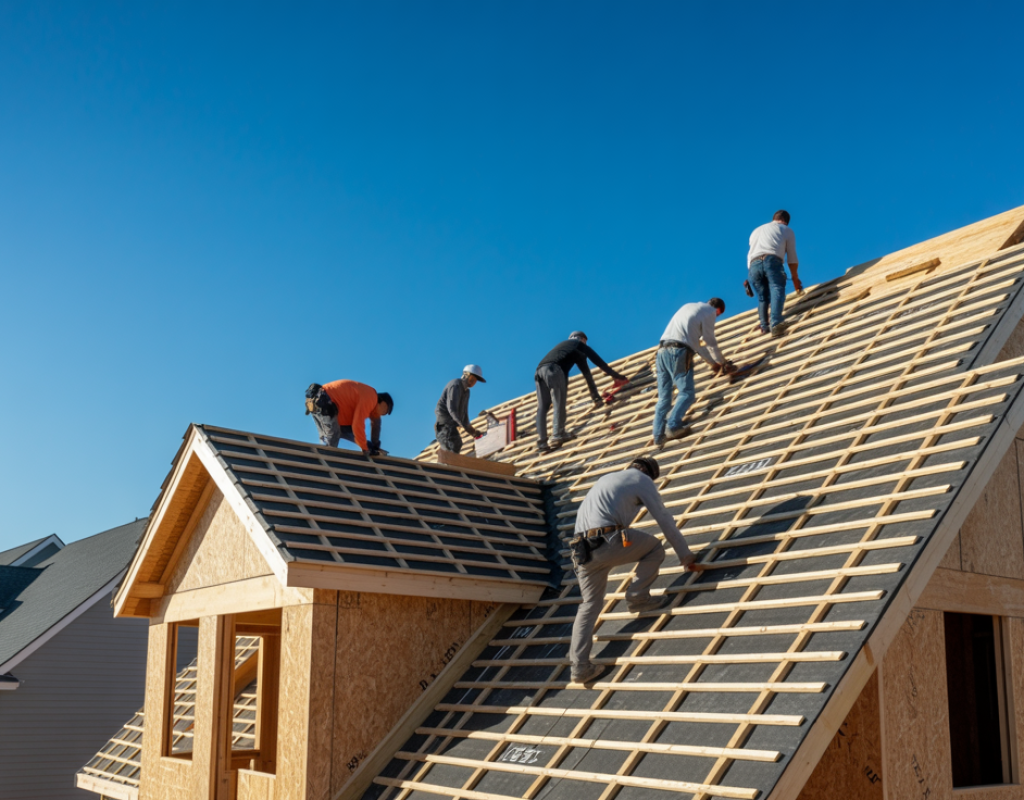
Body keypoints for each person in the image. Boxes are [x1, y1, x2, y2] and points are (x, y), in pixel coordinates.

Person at [569, 456, 704, 684]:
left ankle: (580, 667)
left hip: (582, 551)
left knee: (589, 605)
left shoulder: (608, 479)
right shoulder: (642, 480)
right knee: (655, 549)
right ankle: (638, 597)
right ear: (647, 473)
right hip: (609, 540)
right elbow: (663, 518)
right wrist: (685, 554)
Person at [652, 298, 731, 447]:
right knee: (687, 393)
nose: (716, 317)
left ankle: (658, 435)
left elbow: (697, 346)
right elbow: (710, 342)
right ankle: (672, 426)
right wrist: (723, 362)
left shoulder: (690, 307)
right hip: (678, 352)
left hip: (662, 352)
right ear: (718, 310)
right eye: (718, 315)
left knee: (664, 398)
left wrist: (713, 364)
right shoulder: (710, 312)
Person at [535, 331, 628, 453]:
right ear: (583, 339)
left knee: (542, 407)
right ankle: (557, 435)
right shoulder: (579, 344)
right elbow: (599, 362)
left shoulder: (565, 349)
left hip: (539, 371)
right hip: (554, 370)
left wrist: (596, 397)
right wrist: (618, 376)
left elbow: (586, 374)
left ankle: (542, 443)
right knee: (559, 402)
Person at [748, 210, 802, 337]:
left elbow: (750, 254)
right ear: (786, 221)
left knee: (762, 297)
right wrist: (795, 279)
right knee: (777, 287)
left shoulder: (756, 231)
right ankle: (775, 323)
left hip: (753, 265)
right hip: (771, 260)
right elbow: (792, 259)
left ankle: (764, 326)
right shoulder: (786, 230)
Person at [308, 379, 393, 455]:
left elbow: (376, 424)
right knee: (332, 437)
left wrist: (374, 446)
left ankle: (323, 456)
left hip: (317, 401)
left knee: (333, 435)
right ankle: (326, 459)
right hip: (324, 400)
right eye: (384, 411)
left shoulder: (371, 403)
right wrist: (365, 448)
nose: (382, 415)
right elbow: (357, 425)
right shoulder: (371, 398)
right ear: (383, 404)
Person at [435, 365, 487, 454]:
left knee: (456, 444)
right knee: (452, 443)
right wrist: (460, 423)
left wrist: (473, 432)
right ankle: (446, 461)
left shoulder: (466, 392)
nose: (473, 382)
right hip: (445, 423)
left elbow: (464, 414)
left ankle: (450, 460)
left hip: (452, 424)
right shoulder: (455, 385)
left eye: (475, 381)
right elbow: (452, 408)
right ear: (465, 375)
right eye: (472, 379)